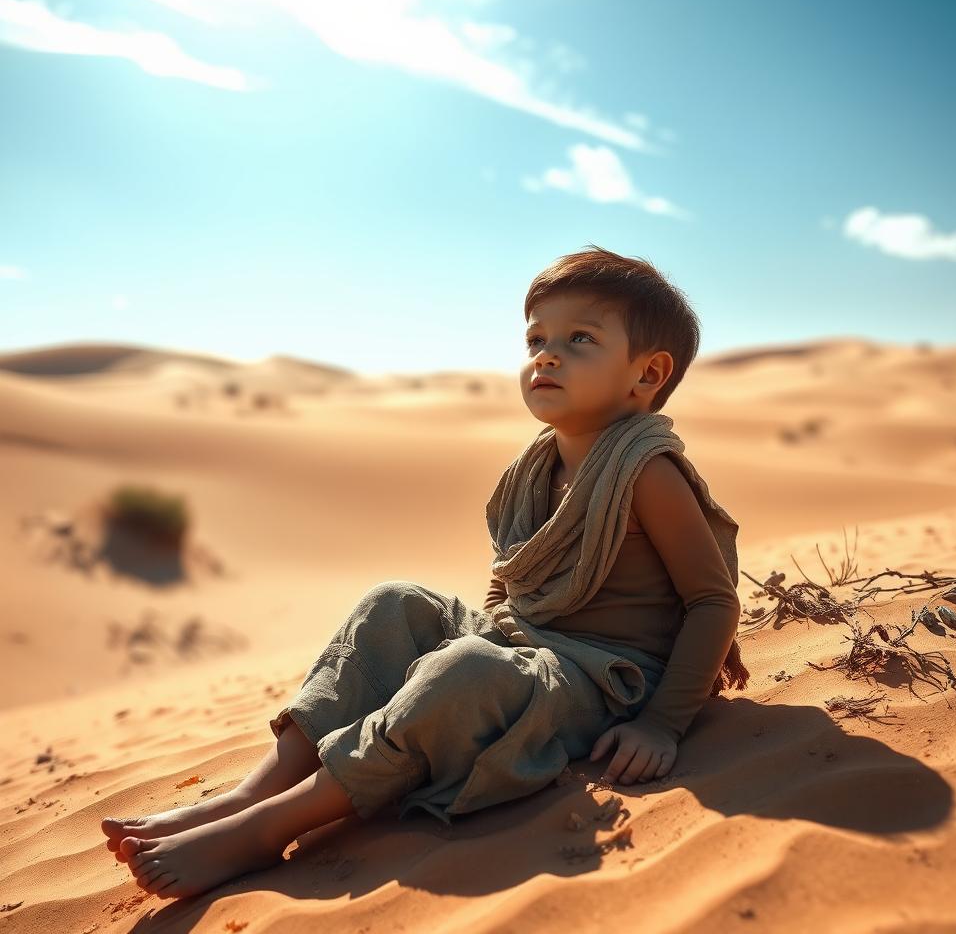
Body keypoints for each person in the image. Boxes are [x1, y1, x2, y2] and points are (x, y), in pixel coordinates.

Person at [99, 244, 748, 900]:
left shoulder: (648, 473)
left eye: (580, 339)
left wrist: (661, 724)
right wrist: (489, 630)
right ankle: (250, 792)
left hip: (602, 677)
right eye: (536, 339)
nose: (546, 355)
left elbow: (713, 604)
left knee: (463, 670)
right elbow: (512, 577)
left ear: (646, 375)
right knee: (393, 603)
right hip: (524, 640)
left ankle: (271, 826)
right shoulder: (535, 467)